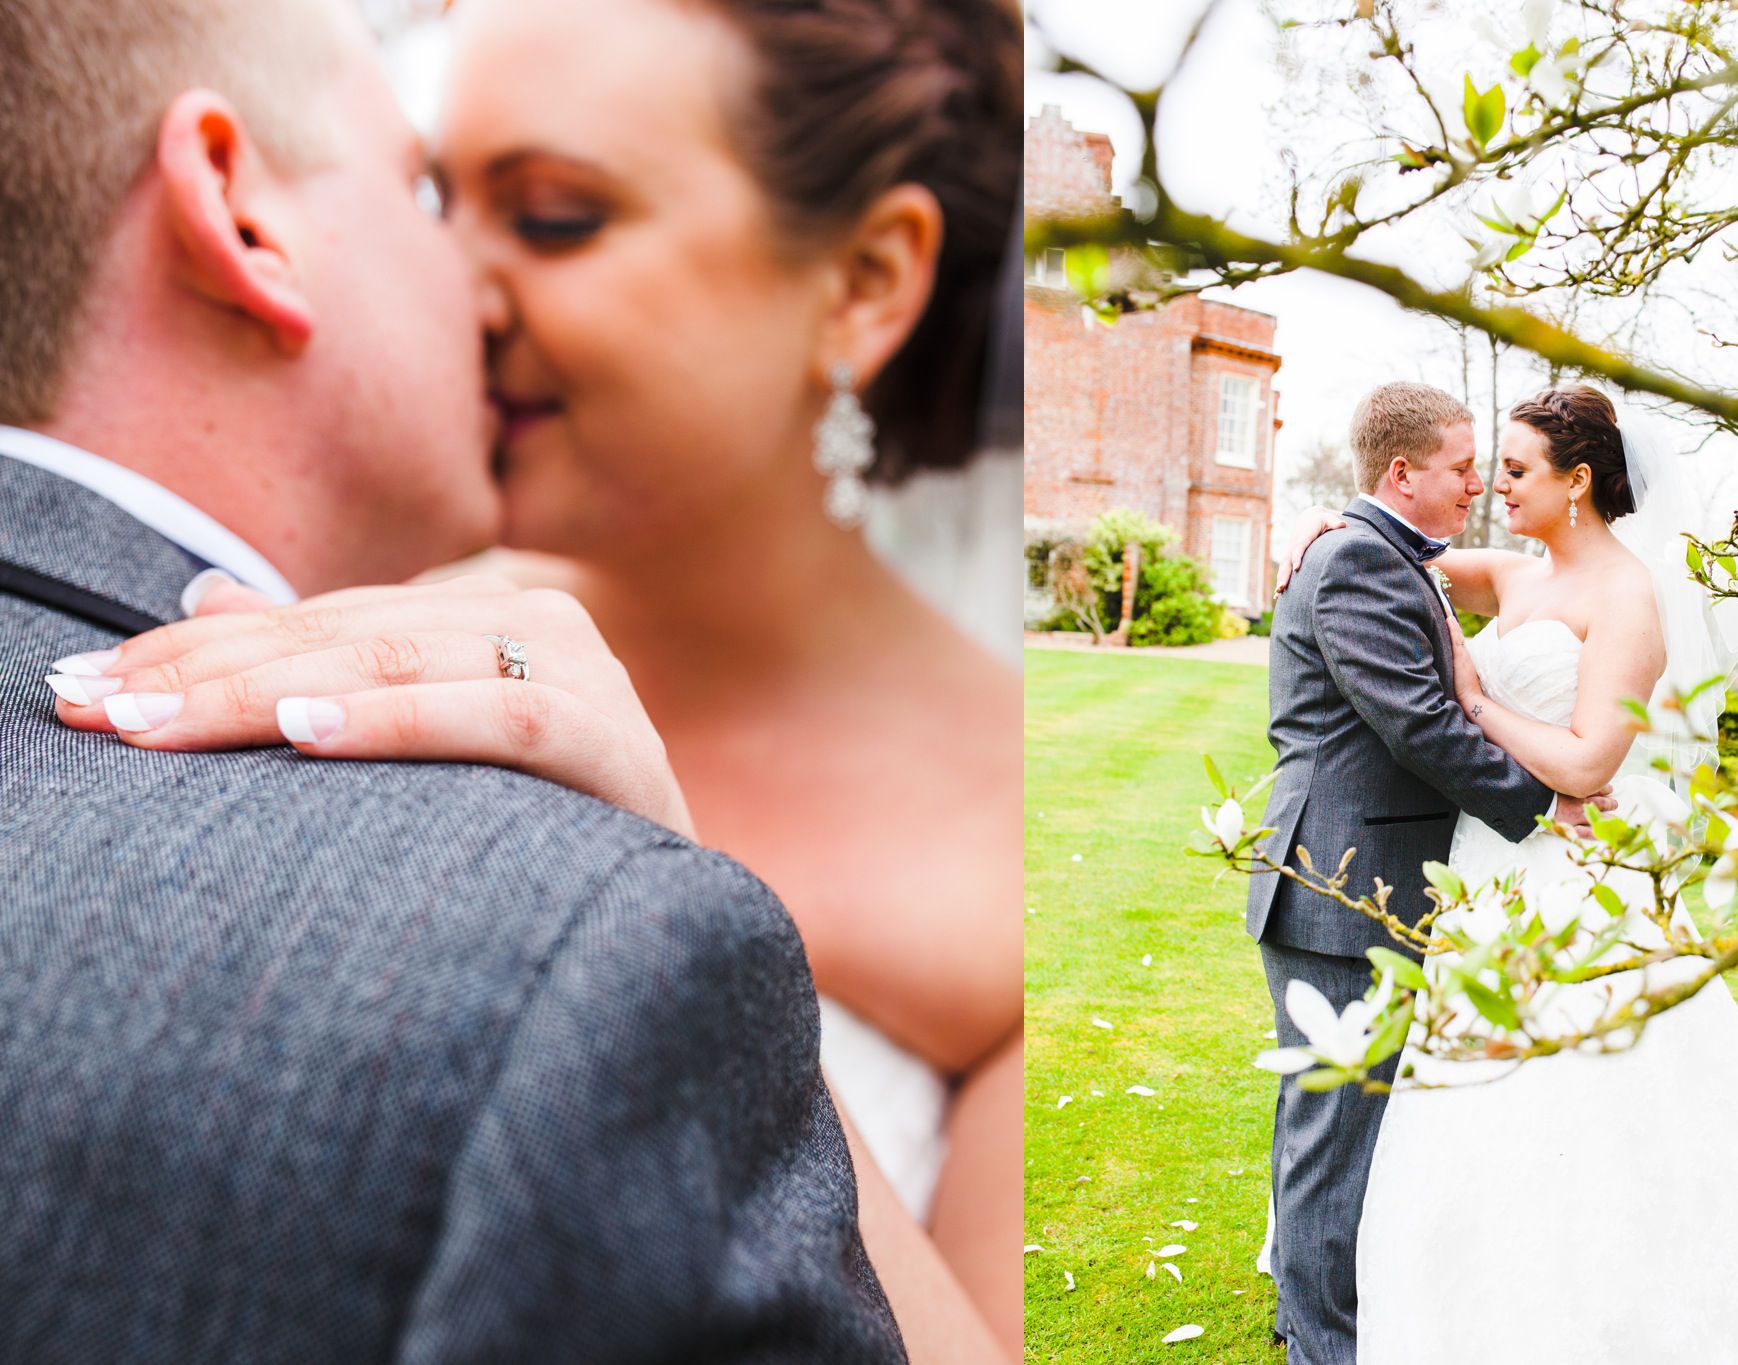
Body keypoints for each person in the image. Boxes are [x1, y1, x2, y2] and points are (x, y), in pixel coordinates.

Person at [39, 0, 1024, 1352]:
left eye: (555, 218)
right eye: (435, 200)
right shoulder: (335, 634)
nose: (455, 288)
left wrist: (694, 949)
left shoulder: (1015, 841)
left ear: (863, 281)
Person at [1282, 386, 1738, 1363]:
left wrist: (1473, 698)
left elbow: (1589, 762)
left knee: (1592, 1100)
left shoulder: (1630, 596)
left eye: (1515, 470)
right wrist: (1323, 518)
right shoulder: (1512, 575)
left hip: (1572, 873)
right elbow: (1388, 548)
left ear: (1578, 481)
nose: (1494, 486)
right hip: (1489, 875)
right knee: (1470, 1108)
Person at [1245, 382, 1609, 1363]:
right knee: (1333, 1130)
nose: (1476, 486)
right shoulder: (1361, 556)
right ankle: (1323, 1347)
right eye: (1461, 468)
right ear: (1401, 473)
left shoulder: (1383, 548)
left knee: (1326, 1120)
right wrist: (1545, 806)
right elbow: (1417, 720)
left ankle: (1305, 1315)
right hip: (1342, 880)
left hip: (1360, 873)